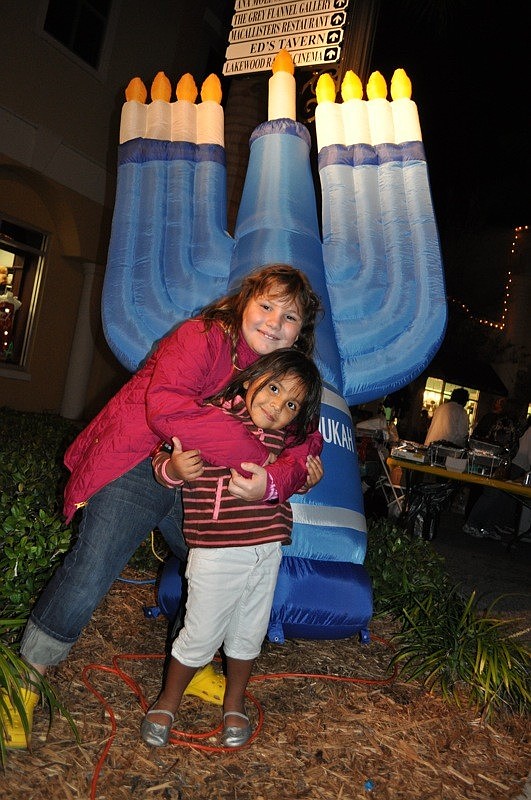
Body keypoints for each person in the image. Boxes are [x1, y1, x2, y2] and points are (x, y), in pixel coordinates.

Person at [2, 264, 323, 749]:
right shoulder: (202, 337)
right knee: (94, 564)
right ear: (244, 303)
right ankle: (24, 679)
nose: (275, 323)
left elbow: (306, 444)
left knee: (215, 569)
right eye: (267, 306)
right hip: (139, 461)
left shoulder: (287, 372)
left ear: (302, 330)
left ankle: (189, 665)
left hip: (208, 489)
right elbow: (168, 407)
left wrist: (278, 479)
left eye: (290, 317)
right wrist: (262, 457)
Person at [141, 348, 323, 748]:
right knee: (201, 633)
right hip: (218, 549)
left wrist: (306, 480)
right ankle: (168, 701)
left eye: (291, 403)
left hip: (268, 548)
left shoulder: (286, 439)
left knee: (249, 631)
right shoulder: (213, 419)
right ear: (249, 379)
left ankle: (234, 702)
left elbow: (293, 472)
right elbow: (163, 450)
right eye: (273, 388)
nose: (277, 405)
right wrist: (172, 469)